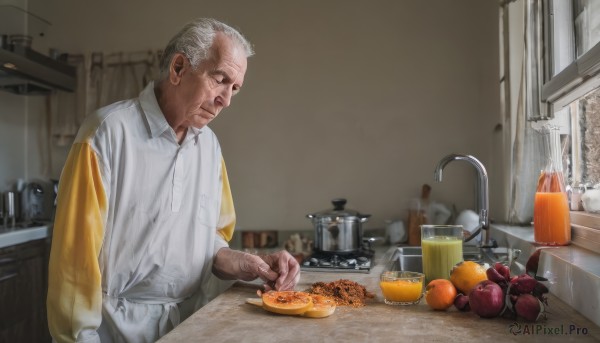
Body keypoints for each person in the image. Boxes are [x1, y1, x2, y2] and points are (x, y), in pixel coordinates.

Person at [47, 18, 300, 343]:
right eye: (221, 79)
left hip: (192, 323)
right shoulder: (107, 133)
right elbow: (74, 264)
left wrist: (247, 263)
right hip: (114, 329)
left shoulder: (209, 147)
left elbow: (208, 241)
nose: (227, 100)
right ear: (179, 68)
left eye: (234, 88)